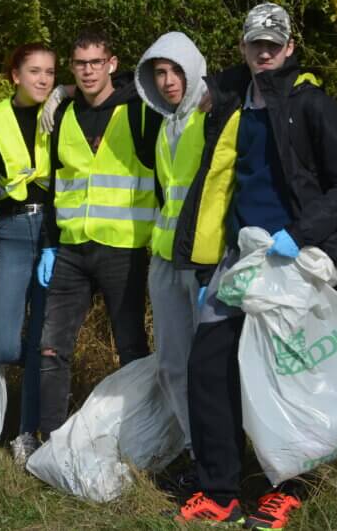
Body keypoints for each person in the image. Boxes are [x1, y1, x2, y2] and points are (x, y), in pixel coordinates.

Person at [172, 3, 337, 528]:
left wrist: (299, 235)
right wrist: (68, 90)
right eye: (255, 43)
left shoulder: (311, 105)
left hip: (296, 259)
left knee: (291, 374)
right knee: (208, 365)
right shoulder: (233, 99)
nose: (264, 52)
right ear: (242, 47)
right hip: (239, 258)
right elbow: (154, 86)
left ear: (289, 48)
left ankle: (289, 489)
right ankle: (220, 492)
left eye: (273, 44)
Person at [35, 30, 162, 439]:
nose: (88, 71)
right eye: (80, 64)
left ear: (112, 63)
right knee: (52, 347)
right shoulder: (64, 114)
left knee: (130, 348)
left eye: (96, 62)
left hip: (122, 249)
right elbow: (59, 184)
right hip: (70, 249)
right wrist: (50, 244)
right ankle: (49, 439)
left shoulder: (139, 109)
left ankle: (140, 435)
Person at [0, 43, 57, 464]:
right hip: (10, 232)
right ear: (14, 76)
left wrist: (71, 92)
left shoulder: (60, 114)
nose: (43, 80)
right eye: (34, 71)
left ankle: (28, 433)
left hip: (52, 235)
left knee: (44, 342)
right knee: (1, 344)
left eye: (50, 73)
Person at [132, 32, 210, 478]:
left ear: (193, 69)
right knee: (171, 364)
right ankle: (198, 454)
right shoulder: (166, 123)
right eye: (159, 73)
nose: (167, 80)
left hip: (201, 260)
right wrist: (64, 89)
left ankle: (223, 457)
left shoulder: (213, 112)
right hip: (164, 258)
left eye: (175, 70)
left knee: (208, 365)